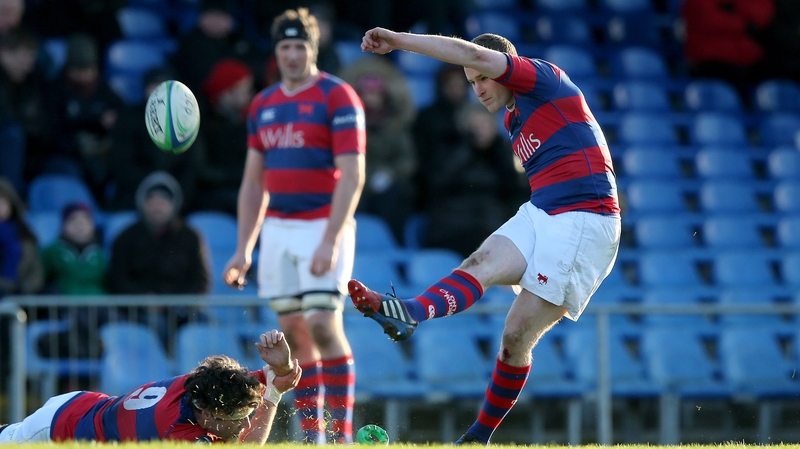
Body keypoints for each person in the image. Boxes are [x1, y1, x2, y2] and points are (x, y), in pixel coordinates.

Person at [348, 28, 621, 445]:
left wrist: (398, 41)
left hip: (586, 216)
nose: (476, 89)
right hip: (545, 210)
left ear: (502, 69)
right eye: (470, 81)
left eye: (481, 77)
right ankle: (409, 312)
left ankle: (478, 436)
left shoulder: (541, 78)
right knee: (478, 263)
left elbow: (465, 50)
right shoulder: (513, 119)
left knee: (515, 336)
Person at [221, 8, 365, 444]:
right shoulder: (263, 105)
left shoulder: (337, 96)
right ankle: (312, 435)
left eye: (299, 46)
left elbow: (353, 174)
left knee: (323, 323)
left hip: (323, 221)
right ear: (275, 51)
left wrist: (330, 239)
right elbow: (252, 183)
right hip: (278, 230)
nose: (291, 55)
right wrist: (244, 248)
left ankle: (339, 434)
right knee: (294, 334)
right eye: (284, 46)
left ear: (312, 49)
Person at [0, 328, 302, 444]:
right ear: (209, 414)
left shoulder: (202, 386)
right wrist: (273, 396)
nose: (247, 422)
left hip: (83, 406)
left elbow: (271, 375)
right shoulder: (176, 434)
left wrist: (283, 366)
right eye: (238, 417)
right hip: (55, 430)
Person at [107, 171, 210, 339]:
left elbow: (200, 280)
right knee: (156, 326)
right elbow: (117, 279)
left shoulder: (190, 237)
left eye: (163, 201)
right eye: (152, 201)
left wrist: (179, 303)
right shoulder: (126, 237)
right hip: (140, 311)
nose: (157, 207)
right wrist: (144, 300)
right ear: (143, 203)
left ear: (173, 204)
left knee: (204, 325)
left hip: (182, 310)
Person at [423, 103, 528, 258]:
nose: (482, 131)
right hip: (453, 228)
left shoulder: (502, 151)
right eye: (477, 126)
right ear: (465, 127)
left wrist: (501, 152)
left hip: (490, 225)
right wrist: (466, 148)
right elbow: (437, 184)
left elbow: (514, 188)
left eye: (487, 125)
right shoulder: (449, 149)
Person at [340, 56, 417, 242]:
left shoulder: (394, 126)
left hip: (385, 189)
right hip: (354, 183)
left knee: (397, 197)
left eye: (375, 93)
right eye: (366, 93)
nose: (371, 98)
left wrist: (389, 174)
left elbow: (407, 160)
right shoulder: (348, 124)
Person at [106, 66, 199, 212]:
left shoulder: (186, 121)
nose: (161, 93)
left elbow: (190, 167)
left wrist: (172, 195)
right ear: (145, 89)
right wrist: (153, 191)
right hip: (134, 196)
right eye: (155, 86)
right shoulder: (128, 118)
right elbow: (122, 165)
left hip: (177, 200)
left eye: (165, 87)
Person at [194, 58, 253, 216]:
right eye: (243, 90)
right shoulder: (201, 124)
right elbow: (202, 172)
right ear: (225, 92)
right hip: (212, 196)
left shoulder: (248, 122)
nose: (248, 96)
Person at [40, 202, 106, 295]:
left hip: (99, 306)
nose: (80, 225)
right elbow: (40, 279)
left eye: (85, 219)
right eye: (73, 219)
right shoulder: (51, 252)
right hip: (64, 306)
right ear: (63, 225)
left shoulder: (101, 254)